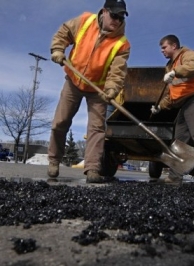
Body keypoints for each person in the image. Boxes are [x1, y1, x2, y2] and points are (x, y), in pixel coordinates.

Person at [47, 0, 130, 183]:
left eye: (121, 17)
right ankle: (53, 161)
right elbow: (64, 32)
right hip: (73, 82)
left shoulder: (122, 44)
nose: (117, 20)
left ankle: (92, 169)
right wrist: (58, 49)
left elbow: (117, 72)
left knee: (96, 129)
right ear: (104, 12)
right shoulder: (84, 21)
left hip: (98, 90)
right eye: (114, 15)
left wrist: (111, 89)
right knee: (60, 122)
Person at [151, 34, 194, 184]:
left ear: (174, 46)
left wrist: (175, 72)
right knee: (179, 141)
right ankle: (174, 177)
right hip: (184, 104)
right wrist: (159, 107)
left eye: (164, 47)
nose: (162, 51)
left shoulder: (188, 55)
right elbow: (172, 93)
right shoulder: (169, 66)